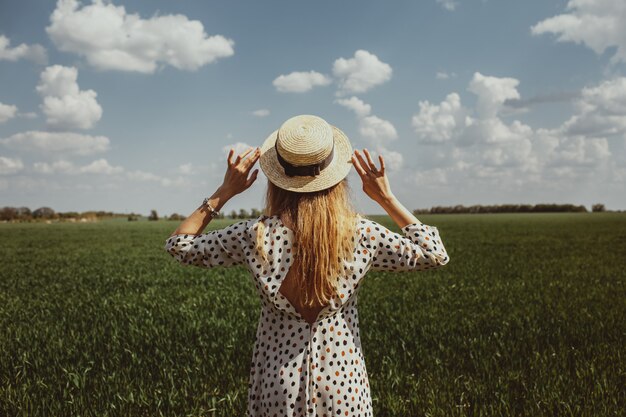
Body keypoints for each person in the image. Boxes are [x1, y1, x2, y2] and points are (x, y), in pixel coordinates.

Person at [164, 114, 450, 417]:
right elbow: (434, 254)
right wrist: (386, 197)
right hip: (343, 388)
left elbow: (179, 246)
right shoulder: (362, 234)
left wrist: (225, 191)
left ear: (277, 178)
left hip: (276, 388)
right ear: (335, 176)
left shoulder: (254, 235)